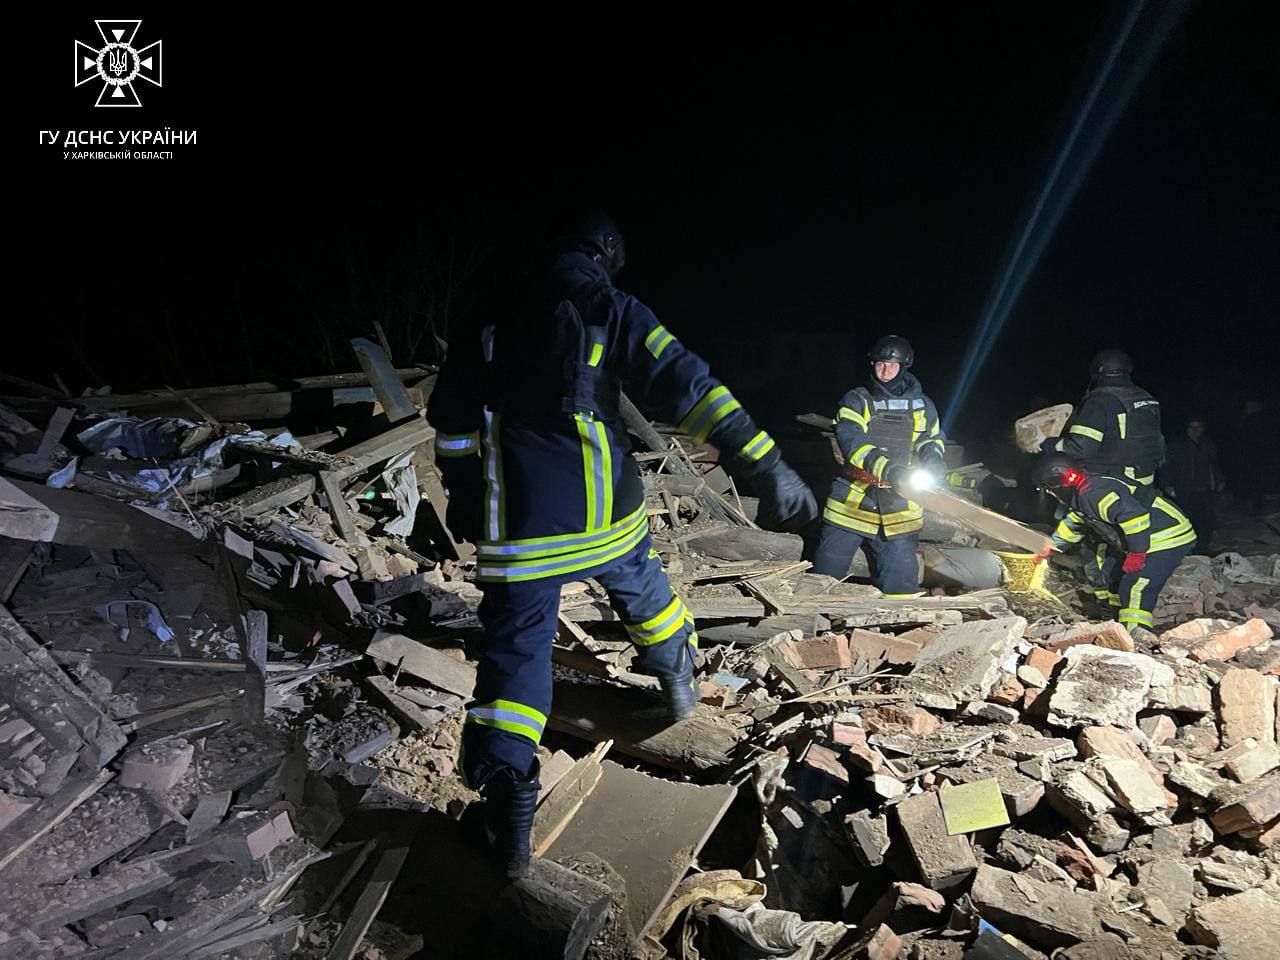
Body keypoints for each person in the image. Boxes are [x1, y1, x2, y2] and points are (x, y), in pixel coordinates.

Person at [427, 212, 817, 878]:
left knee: (516, 655)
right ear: (605, 255)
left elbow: (454, 422)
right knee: (643, 588)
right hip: (605, 508)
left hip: (522, 524)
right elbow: (689, 385)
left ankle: (509, 817)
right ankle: (677, 679)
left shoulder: (487, 318)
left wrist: (465, 492)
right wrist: (765, 462)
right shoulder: (610, 308)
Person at [808, 335, 945, 596]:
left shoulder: (923, 406)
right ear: (873, 364)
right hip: (851, 504)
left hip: (900, 509)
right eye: (880, 364)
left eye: (892, 365)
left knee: (901, 589)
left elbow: (932, 439)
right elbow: (853, 442)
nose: (885, 371)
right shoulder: (856, 400)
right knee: (822, 580)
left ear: (904, 366)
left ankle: (895, 621)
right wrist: (888, 470)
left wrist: (934, 460)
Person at [1033, 453, 1196, 633]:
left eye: (1048, 488)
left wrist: (1137, 553)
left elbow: (1135, 517)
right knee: (1111, 573)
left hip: (1167, 537)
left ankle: (1135, 636)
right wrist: (1051, 547)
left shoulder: (1093, 493)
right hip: (1145, 538)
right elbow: (1073, 524)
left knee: (1135, 588)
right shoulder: (1082, 494)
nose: (1050, 493)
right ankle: (1116, 623)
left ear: (1058, 480)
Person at [1047, 348, 1164, 486]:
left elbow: (1081, 448)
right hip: (1145, 481)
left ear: (1098, 371)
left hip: (1113, 483)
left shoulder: (1099, 401)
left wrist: (1048, 444)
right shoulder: (1147, 398)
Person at [1161, 416, 1224, 549]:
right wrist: (1166, 484)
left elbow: (1213, 464)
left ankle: (1203, 547)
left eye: (1198, 427)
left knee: (1207, 519)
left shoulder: (1207, 444)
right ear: (1187, 429)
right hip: (1185, 488)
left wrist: (1220, 479)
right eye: (1192, 427)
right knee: (1187, 518)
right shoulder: (1176, 445)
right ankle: (1188, 548)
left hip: (1205, 487)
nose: (1195, 430)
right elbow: (1166, 465)